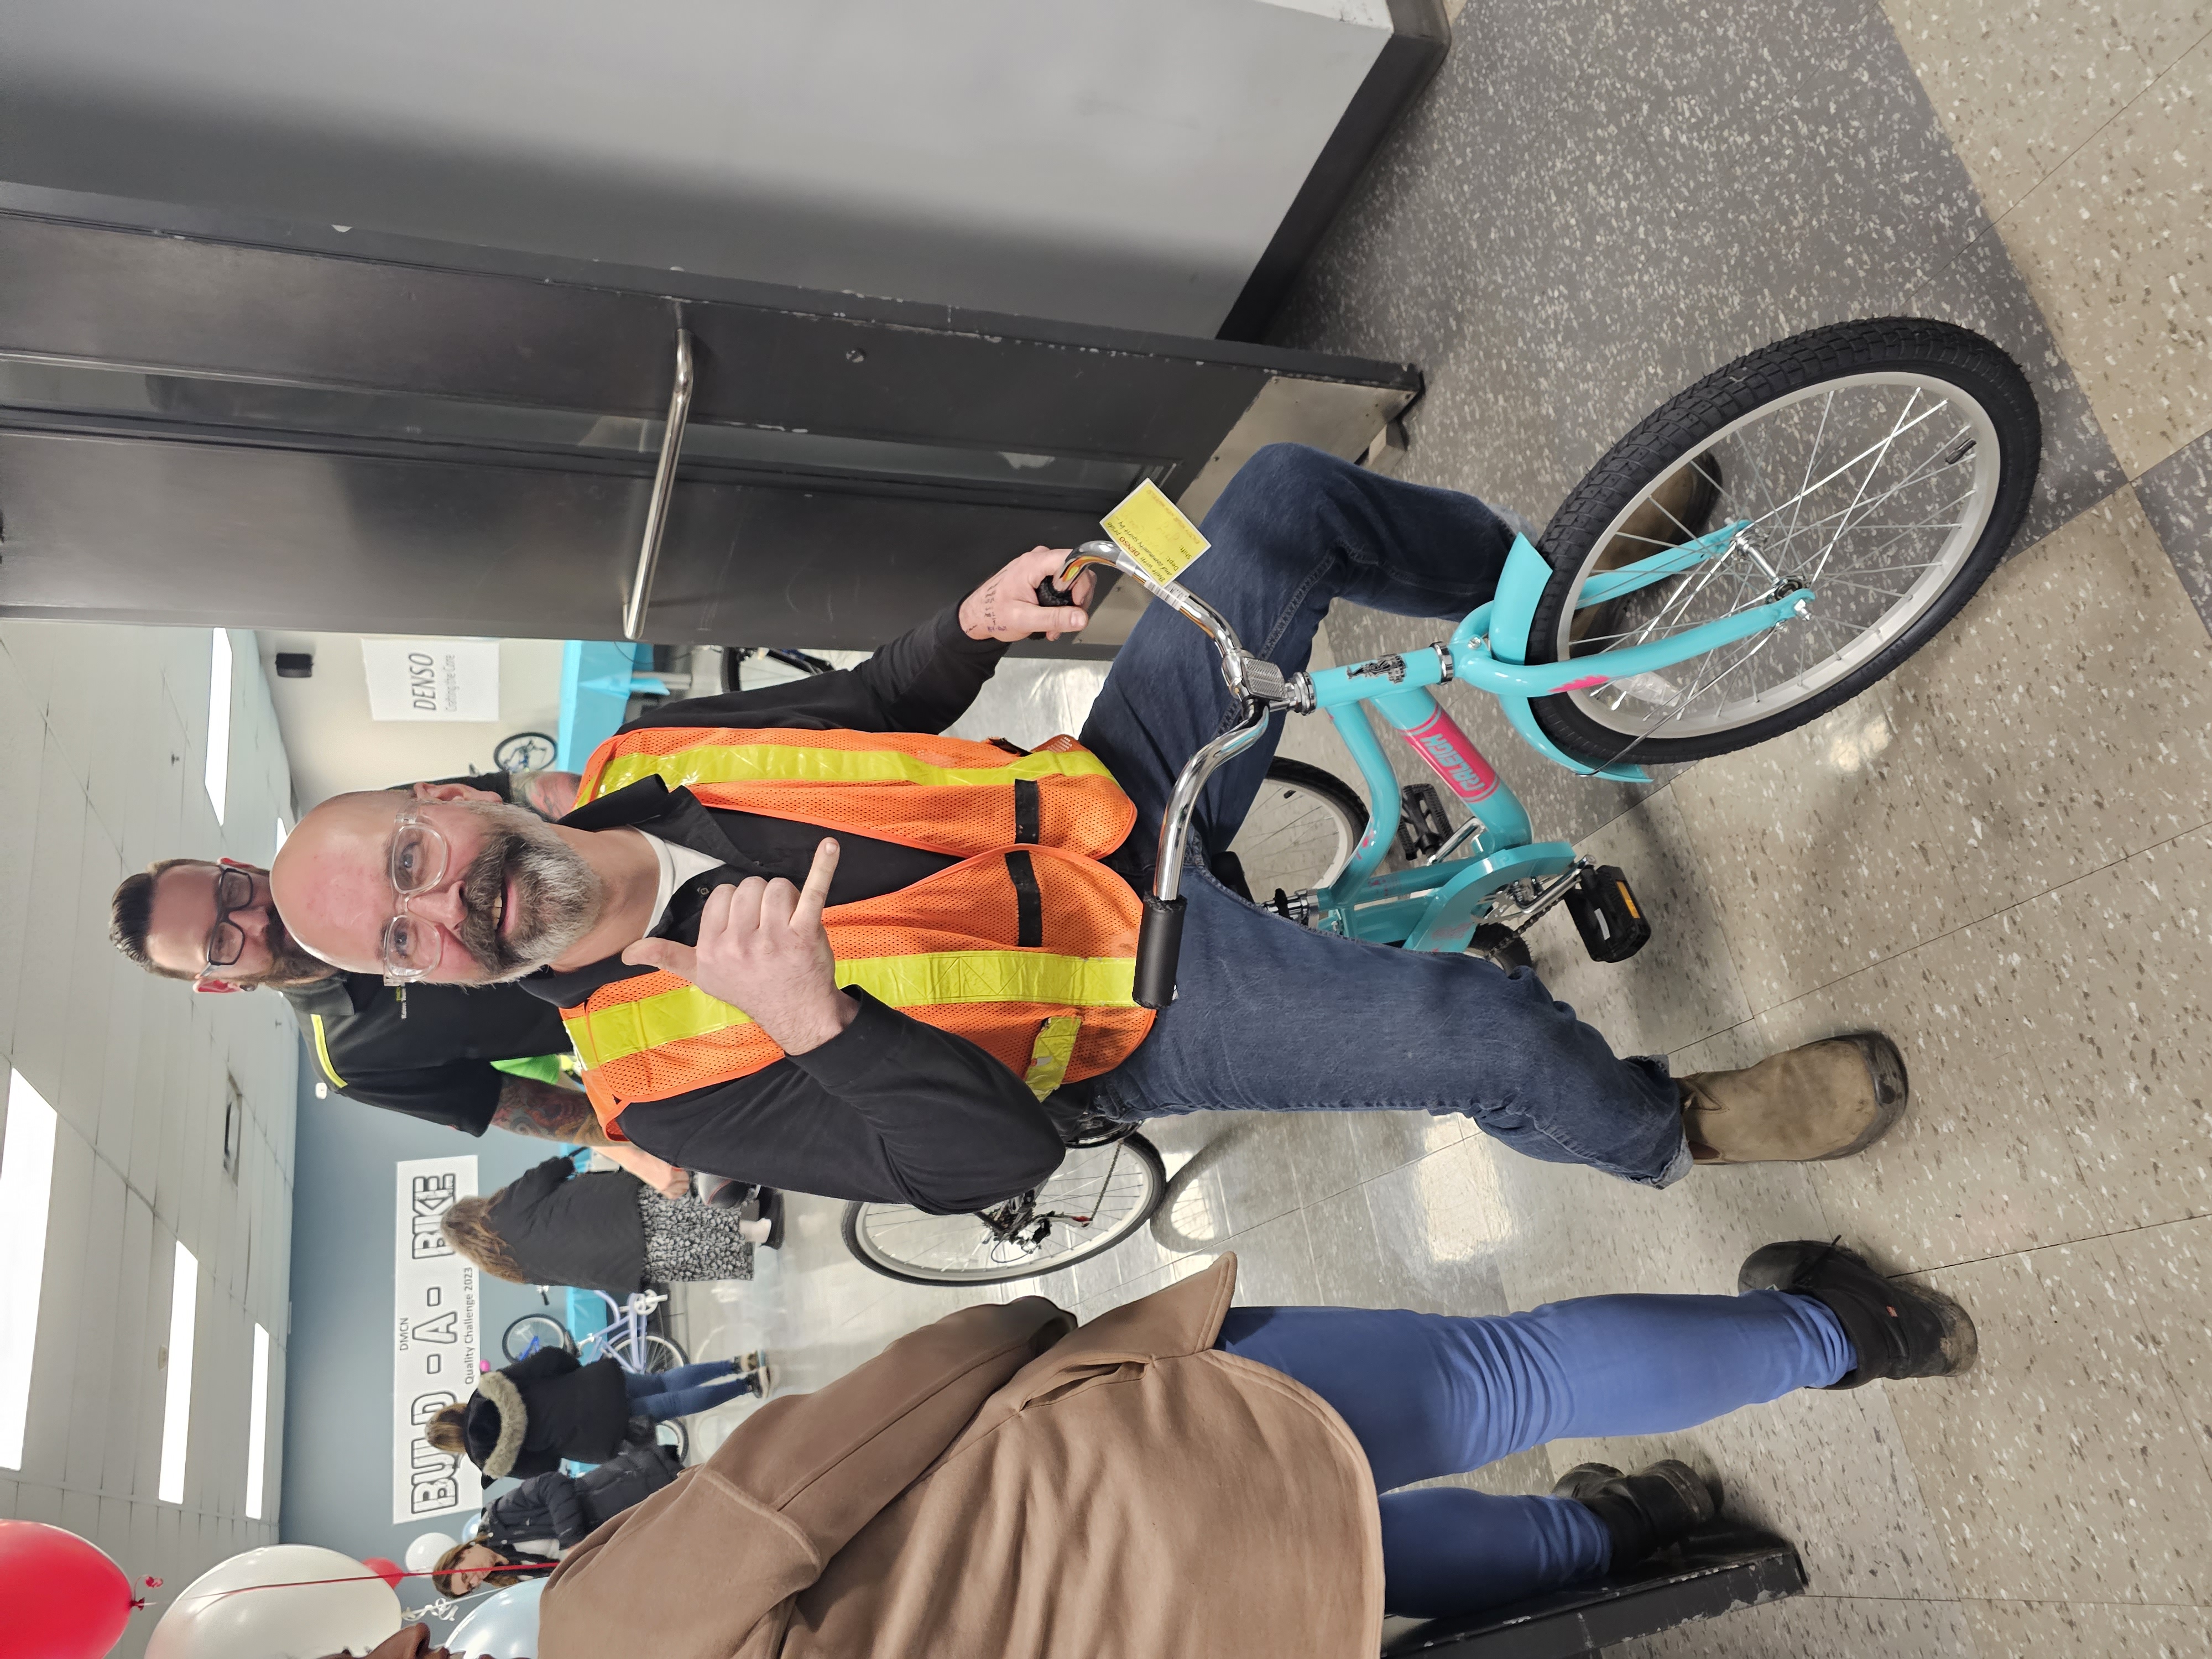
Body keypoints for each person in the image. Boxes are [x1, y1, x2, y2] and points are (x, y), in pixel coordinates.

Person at [270, 445, 1908, 1215]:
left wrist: (969, 629)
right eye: (400, 937)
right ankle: (1666, 1131)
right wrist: (818, 1030)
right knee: (1466, 1019)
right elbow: (990, 1160)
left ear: (445, 796)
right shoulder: (659, 1081)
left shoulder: (648, 752)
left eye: (409, 862)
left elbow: (864, 718)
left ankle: (1554, 608)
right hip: (1122, 1012)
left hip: (1102, 806)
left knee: (1275, 505)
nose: (450, 909)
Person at [536, 1240, 1974, 1655]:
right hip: (1128, 1470)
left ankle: (1612, 1538)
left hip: (1210, 1636)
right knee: (1505, 1379)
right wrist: (1033, 1330)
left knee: (1344, 1559)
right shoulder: (588, 1625)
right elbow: (878, 1427)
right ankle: (1851, 1331)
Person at [108, 847, 687, 1194]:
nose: (254, 920)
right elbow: (512, 1104)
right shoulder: (349, 1060)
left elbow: (524, 802)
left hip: (670, 887)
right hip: (676, 1028)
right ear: (218, 983)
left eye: (230, 891)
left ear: (232, 865)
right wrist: (644, 1145)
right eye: (221, 941)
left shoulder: (362, 840)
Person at [424, 1346, 767, 1481]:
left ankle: (747, 1384)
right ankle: (735, 1363)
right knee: (663, 1382)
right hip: (593, 1385)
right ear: (453, 1410)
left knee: (673, 1407)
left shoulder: (490, 1462)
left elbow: (547, 1467)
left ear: (453, 1446)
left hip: (595, 1431)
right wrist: (574, 1373)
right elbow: (546, 1361)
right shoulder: (487, 1390)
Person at [441, 1152, 766, 1293]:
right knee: (683, 1215)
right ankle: (747, 1214)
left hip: (615, 1266)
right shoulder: (502, 1209)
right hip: (611, 1210)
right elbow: (548, 1174)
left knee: (684, 1254)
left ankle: (755, 1236)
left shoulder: (503, 1267)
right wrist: (564, 1161)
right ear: (474, 1209)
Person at [430, 1443, 684, 1598]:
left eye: (466, 1577)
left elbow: (552, 1483)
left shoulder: (500, 1515)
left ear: (462, 1554)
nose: (476, 1581)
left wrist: (571, 1541)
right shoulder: (510, 1579)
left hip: (627, 1488)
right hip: (639, 1531)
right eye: (471, 1587)